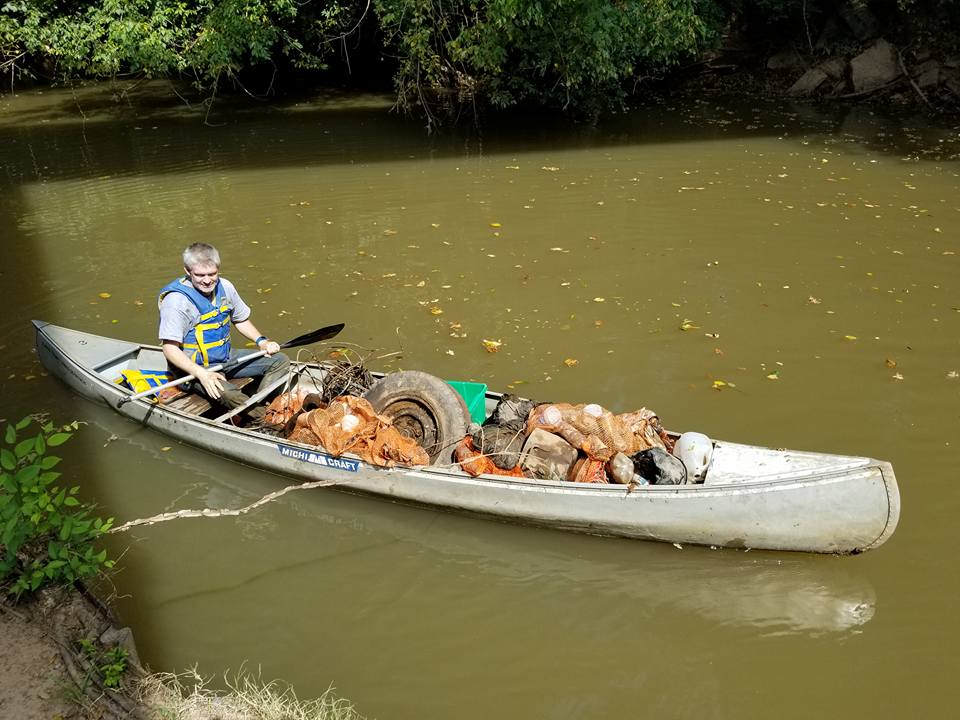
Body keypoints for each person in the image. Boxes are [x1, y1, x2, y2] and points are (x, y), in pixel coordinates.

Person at [158, 243, 289, 420]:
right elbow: (170, 349)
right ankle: (267, 421)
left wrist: (262, 341)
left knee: (279, 361)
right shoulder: (176, 302)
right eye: (200, 275)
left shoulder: (225, 287)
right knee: (230, 394)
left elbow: (240, 319)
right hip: (193, 369)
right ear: (187, 271)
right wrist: (201, 374)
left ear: (218, 269)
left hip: (224, 357)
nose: (207, 280)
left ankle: (259, 406)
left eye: (212, 274)